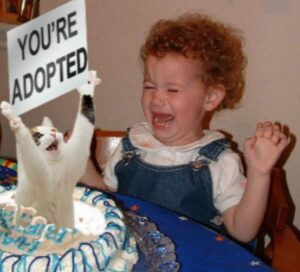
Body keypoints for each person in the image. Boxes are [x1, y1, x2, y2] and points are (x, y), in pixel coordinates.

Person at [80, 13, 289, 243]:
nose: (157, 98)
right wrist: (79, 158)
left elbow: (242, 231)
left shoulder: (220, 162)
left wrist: (259, 174)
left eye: (172, 90)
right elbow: (106, 198)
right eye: (149, 86)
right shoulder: (132, 147)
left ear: (210, 98)